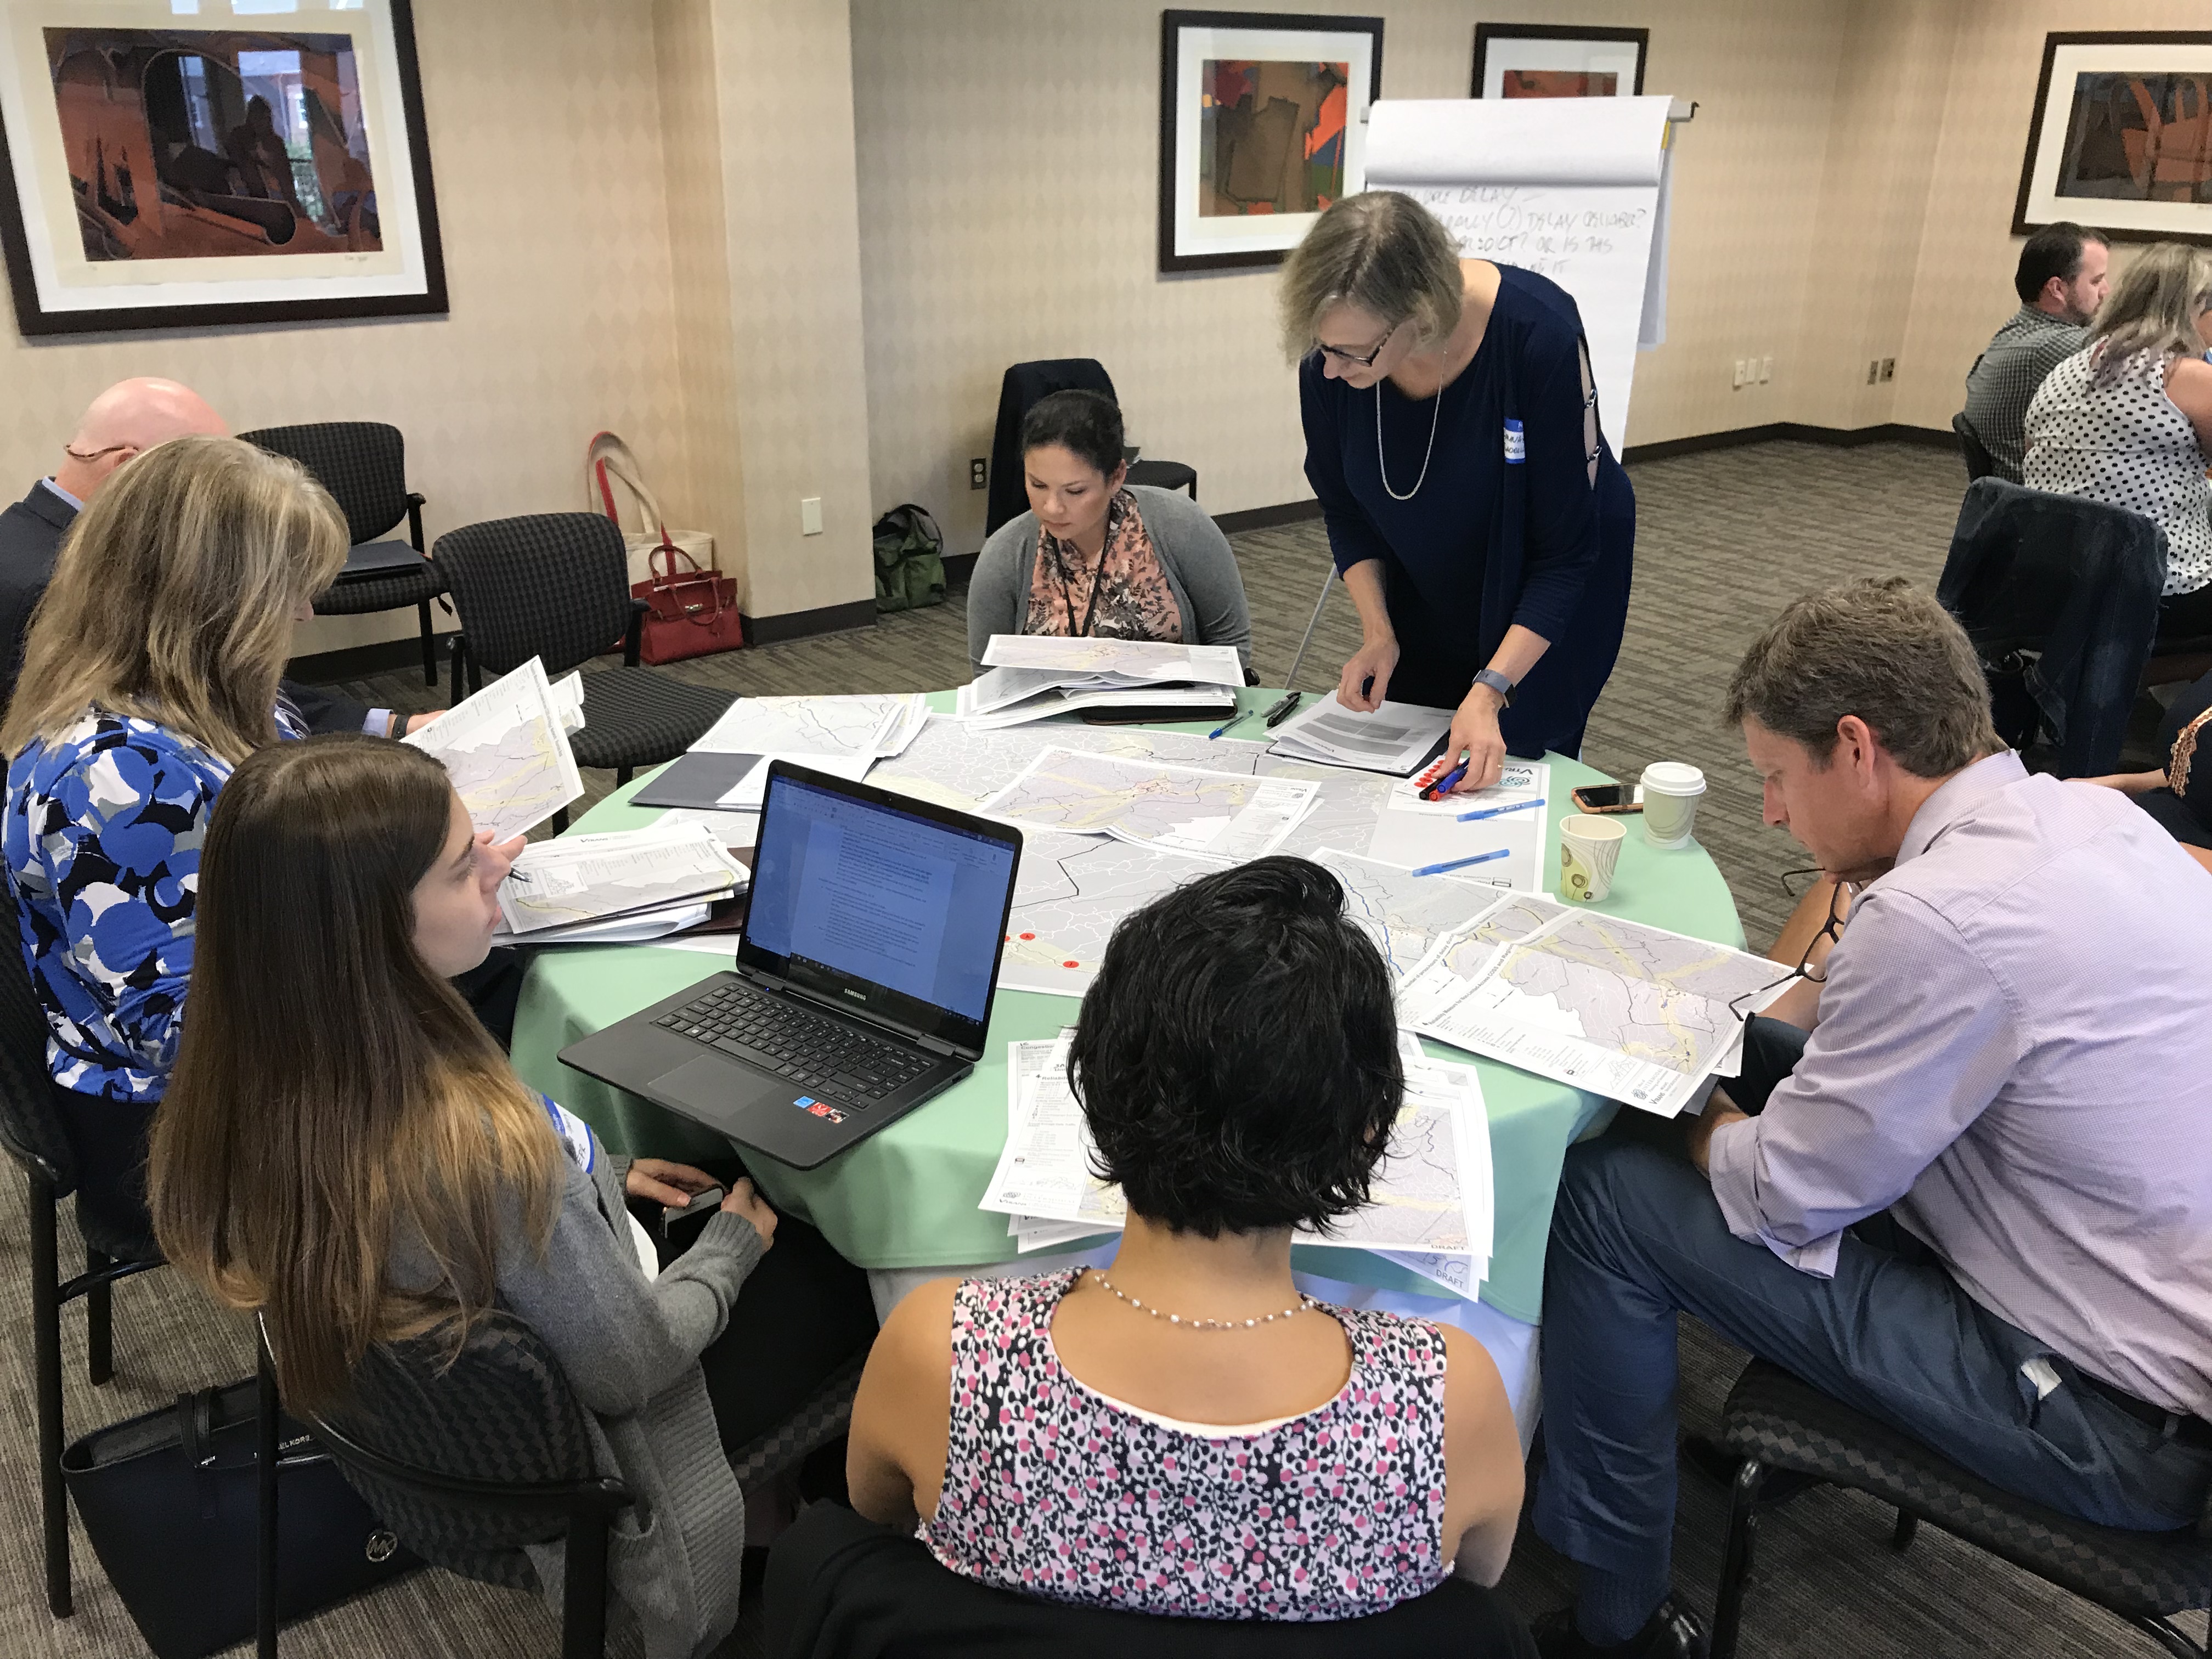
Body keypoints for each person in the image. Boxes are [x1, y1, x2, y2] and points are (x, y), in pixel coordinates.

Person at [1529, 579, 2212, 1659]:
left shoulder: (1937, 916)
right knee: (1742, 1050)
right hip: (2128, 1284)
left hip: (2114, 1418)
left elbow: (1784, 1195)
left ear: (1855, 748)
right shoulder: (2086, 815)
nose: (1770, 814)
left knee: (1609, 1196)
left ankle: (1619, 1624)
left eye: (1775, 778)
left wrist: (1690, 1116)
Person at [148, 734, 881, 1659]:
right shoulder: (483, 1147)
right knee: (850, 1263)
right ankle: (819, 1531)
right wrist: (726, 1254)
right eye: (464, 867)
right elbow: (632, 1367)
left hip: (435, 1428)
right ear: (376, 928)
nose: (503, 863)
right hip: (599, 1445)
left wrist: (599, 1171)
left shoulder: (251, 1076)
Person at [846, 856, 1524, 1621]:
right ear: (1366, 1130)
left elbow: (878, 1516)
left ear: (1093, 1080)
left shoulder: (943, 1349)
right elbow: (1475, 1585)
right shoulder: (1445, 1396)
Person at [3, 436, 354, 1248]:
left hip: (235, 1055)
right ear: (211, 598)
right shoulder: (118, 774)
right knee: (486, 1057)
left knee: (490, 977)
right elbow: (177, 1032)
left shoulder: (194, 700)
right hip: (173, 1126)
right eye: (289, 588)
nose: (303, 613)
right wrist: (379, 942)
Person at [1285, 191, 1633, 793]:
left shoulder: (1538, 336)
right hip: (1425, 578)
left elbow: (1565, 555)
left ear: (1421, 314)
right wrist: (1379, 632)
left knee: (1513, 760)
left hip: (1547, 586)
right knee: (1419, 756)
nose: (1331, 370)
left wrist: (1492, 687)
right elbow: (1345, 510)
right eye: (1323, 348)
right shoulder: (1331, 365)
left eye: (1351, 353)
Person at [0, 376, 412, 736]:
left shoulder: (41, 538)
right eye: (212, 483)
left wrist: (382, 724)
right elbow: (201, 702)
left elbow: (217, 679)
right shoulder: (58, 584)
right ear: (132, 471)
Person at [967, 389, 1252, 675]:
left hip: (1174, 701)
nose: (1052, 507)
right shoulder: (1006, 554)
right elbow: (988, 675)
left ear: (1116, 477)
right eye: (1038, 485)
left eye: (1075, 491)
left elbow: (1230, 645)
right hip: (1052, 705)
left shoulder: (1180, 525)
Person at [2024, 241, 2212, 641]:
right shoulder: (2188, 376)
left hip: (2051, 580)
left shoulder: (2067, 369)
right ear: (2195, 309)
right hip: (2152, 589)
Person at [1961, 221, 2111, 481]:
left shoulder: (2020, 330)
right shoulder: (2058, 346)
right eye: (2096, 281)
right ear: (2057, 289)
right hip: (2038, 494)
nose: (2106, 291)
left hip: (2012, 488)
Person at [2081, 668, 2212, 873]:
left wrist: (2151, 849)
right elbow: (2191, 772)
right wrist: (2120, 784)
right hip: (2150, 834)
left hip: (2180, 870)